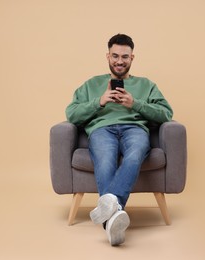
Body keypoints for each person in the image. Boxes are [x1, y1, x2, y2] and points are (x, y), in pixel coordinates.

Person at [65, 33, 173, 246]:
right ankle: (115, 217)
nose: (120, 61)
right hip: (102, 130)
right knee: (105, 159)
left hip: (135, 130)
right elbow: (72, 115)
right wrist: (100, 102)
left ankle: (109, 213)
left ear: (132, 58)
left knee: (136, 153)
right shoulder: (91, 84)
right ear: (108, 57)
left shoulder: (146, 85)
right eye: (115, 56)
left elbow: (166, 114)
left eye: (125, 56)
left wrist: (136, 104)